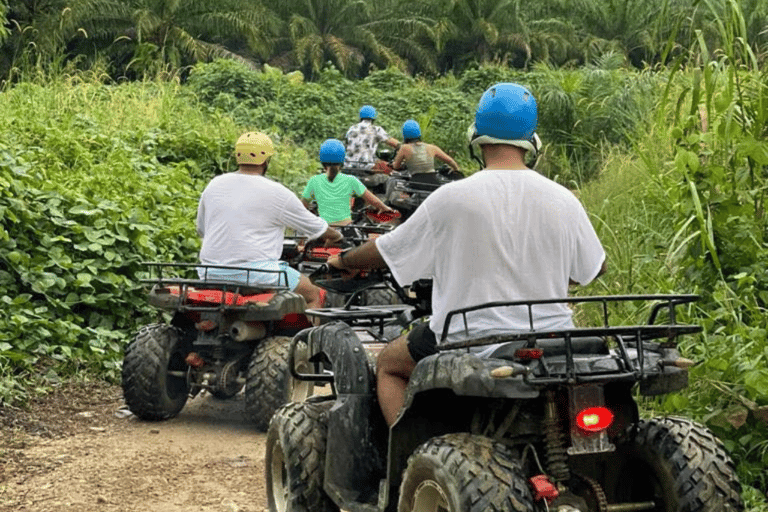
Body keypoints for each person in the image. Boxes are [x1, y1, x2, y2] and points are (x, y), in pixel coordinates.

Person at [327, 83, 606, 427]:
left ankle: (411, 465)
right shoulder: (564, 199)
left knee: (389, 364)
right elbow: (594, 267)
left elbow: (388, 249)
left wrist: (344, 261)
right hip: (554, 339)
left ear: (476, 137)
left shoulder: (452, 198)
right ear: (534, 142)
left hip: (468, 340)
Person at [196, 131, 343, 309]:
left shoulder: (214, 184)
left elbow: (202, 230)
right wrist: (335, 237)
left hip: (210, 273)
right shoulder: (277, 193)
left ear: (237, 157)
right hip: (261, 275)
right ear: (266, 161)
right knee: (314, 293)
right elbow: (315, 226)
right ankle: (306, 337)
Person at [302, 138, 395, 226]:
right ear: (342, 160)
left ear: (322, 160)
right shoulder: (351, 180)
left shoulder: (314, 181)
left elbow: (302, 206)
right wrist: (385, 208)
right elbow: (373, 200)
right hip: (345, 228)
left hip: (324, 230)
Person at [343, 105, 400, 172]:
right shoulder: (376, 129)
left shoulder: (351, 129)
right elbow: (393, 142)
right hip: (366, 166)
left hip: (348, 165)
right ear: (373, 118)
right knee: (390, 171)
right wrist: (402, 147)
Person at [392, 119, 460, 174]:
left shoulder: (404, 148)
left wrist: (393, 163)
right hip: (432, 182)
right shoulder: (432, 148)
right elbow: (450, 161)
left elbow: (396, 166)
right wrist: (456, 170)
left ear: (404, 135)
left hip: (416, 182)